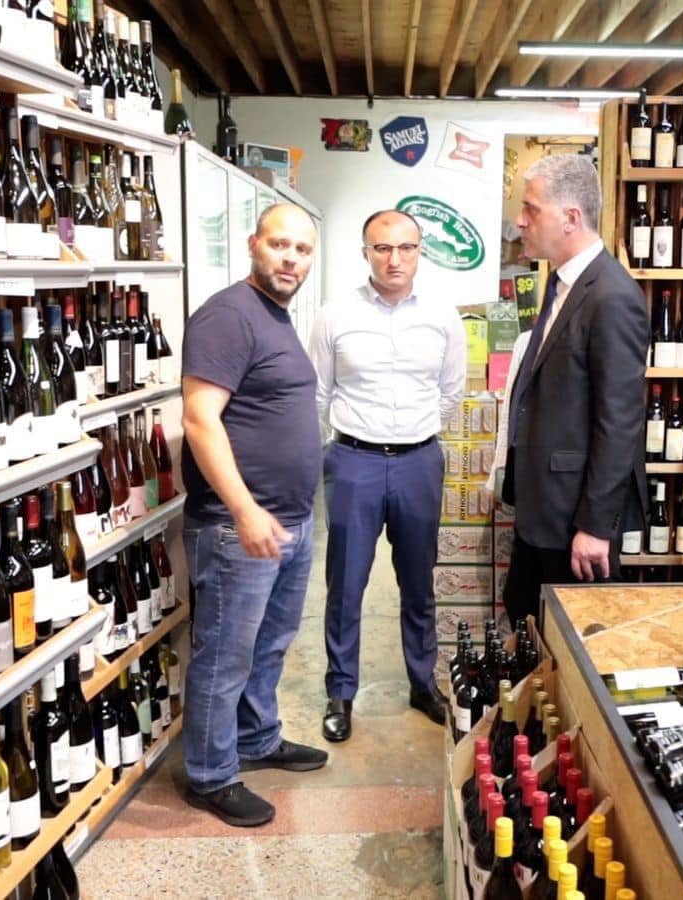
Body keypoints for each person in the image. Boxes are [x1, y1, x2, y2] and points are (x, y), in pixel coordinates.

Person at [179, 203, 328, 828]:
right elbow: (199, 419)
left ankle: (256, 738)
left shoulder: (275, 317)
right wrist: (243, 509)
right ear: (252, 244)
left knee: (270, 644)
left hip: (289, 519)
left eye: (302, 249)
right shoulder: (228, 316)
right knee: (225, 654)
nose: (290, 258)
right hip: (236, 524)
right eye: (279, 245)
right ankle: (210, 774)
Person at [309, 210, 466, 743]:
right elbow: (318, 394)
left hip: (419, 462)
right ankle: (340, 692)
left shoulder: (442, 316)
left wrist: (414, 434)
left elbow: (451, 391)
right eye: (382, 248)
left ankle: (423, 684)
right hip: (352, 460)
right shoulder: (335, 315)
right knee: (345, 583)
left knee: (419, 581)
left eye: (405, 248)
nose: (394, 259)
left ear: (420, 251)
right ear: (365, 253)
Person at [500, 153, 648, 626]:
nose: (520, 221)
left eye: (531, 208)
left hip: (573, 519)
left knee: (571, 640)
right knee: (527, 620)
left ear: (570, 217)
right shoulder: (563, 282)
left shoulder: (612, 295)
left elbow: (619, 421)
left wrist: (595, 526)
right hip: (543, 506)